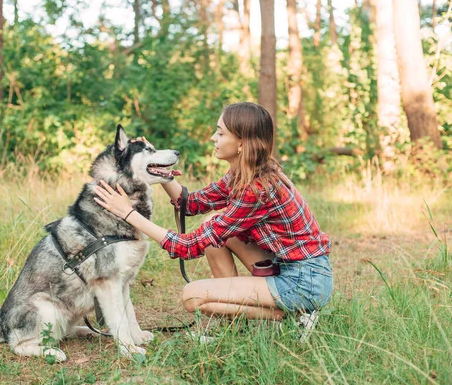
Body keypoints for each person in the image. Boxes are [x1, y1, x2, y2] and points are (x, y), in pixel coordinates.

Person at [94, 102, 333, 324]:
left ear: (241, 143)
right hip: (290, 267)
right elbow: (190, 204)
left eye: (220, 133)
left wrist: (128, 213)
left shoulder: (257, 189)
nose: (213, 138)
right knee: (215, 230)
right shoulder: (243, 173)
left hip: (303, 282)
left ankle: (291, 317)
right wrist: (156, 165)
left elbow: (187, 247)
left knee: (193, 297)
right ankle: (239, 323)